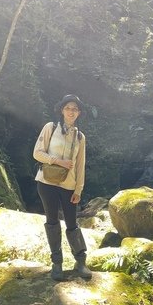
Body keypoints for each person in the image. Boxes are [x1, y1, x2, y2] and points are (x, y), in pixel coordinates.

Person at [33, 95, 91, 282]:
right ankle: (57, 263)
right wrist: (58, 161)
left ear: (79, 113)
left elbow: (80, 165)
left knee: (72, 223)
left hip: (68, 185)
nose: (71, 111)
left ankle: (80, 261)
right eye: (68, 108)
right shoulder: (50, 128)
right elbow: (37, 153)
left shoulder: (80, 137)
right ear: (62, 110)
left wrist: (78, 190)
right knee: (51, 221)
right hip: (46, 183)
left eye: (75, 108)